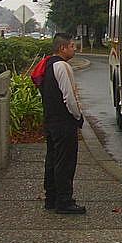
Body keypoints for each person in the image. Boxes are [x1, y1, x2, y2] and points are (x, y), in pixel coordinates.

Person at [42, 33, 86, 214]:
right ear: (62, 48)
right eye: (72, 46)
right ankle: (65, 201)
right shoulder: (63, 67)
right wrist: (78, 116)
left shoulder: (48, 64)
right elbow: (69, 97)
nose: (74, 49)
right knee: (65, 162)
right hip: (64, 122)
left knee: (52, 159)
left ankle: (51, 198)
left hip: (51, 120)